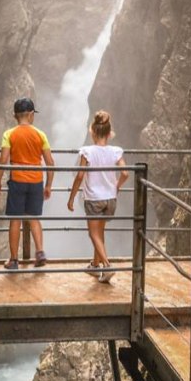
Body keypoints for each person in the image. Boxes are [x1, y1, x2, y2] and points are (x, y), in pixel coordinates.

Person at [67, 111, 127, 283]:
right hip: (110, 199)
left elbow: (80, 176)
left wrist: (71, 198)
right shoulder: (116, 151)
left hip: (94, 199)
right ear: (109, 133)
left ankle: (107, 266)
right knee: (100, 232)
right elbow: (124, 173)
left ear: (92, 131)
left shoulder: (87, 151)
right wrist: (117, 187)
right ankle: (95, 265)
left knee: (93, 234)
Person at [0, 97, 54, 269]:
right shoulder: (40, 134)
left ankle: (14, 260)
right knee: (33, 218)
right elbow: (50, 162)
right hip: (36, 181)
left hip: (17, 181)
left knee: (15, 220)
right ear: (30, 115)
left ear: (15, 116)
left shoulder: (9, 134)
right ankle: (40, 252)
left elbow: (3, 159)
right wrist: (48, 185)